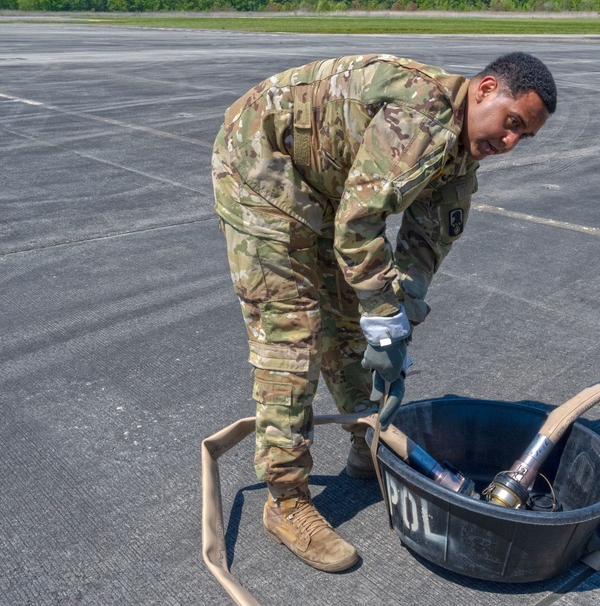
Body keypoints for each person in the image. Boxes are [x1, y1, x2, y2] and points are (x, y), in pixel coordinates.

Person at [211, 52, 556, 572]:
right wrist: (380, 306)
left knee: (352, 325)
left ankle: (367, 439)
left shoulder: (461, 156)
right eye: (511, 124)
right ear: (485, 89)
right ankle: (286, 500)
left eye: (522, 137)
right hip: (262, 166)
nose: (508, 143)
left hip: (327, 185)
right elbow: (358, 224)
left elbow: (424, 249)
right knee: (294, 331)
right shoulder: (422, 116)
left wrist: (396, 324)